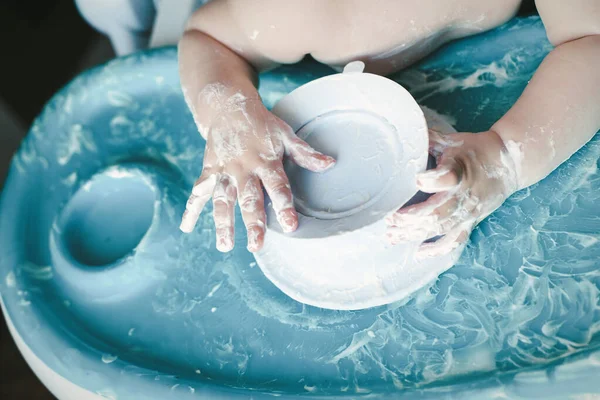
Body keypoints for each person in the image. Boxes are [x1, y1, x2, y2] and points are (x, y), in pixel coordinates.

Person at [177, 0, 600, 258]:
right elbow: (207, 39)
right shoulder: (295, 12)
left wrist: (507, 155)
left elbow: (593, 37)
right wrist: (229, 111)